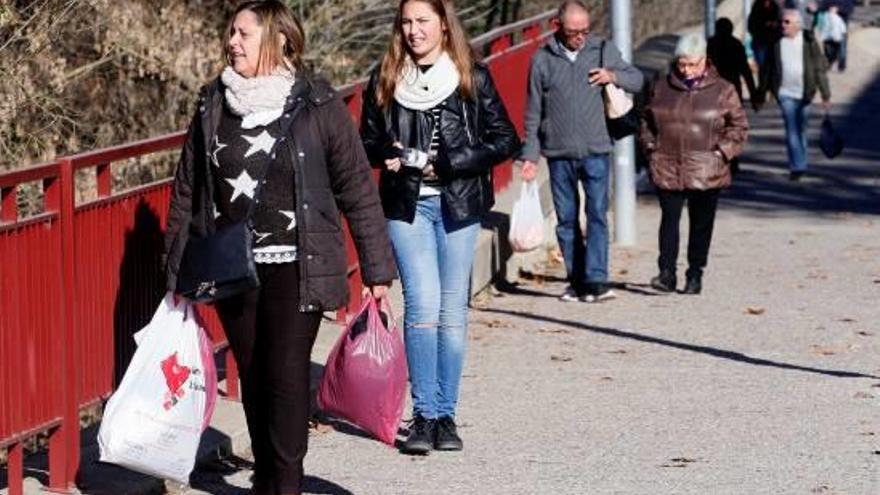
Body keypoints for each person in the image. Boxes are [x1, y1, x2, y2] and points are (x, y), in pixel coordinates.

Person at [163, 2, 397, 493]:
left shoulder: (317, 104)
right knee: (253, 374)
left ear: (280, 41)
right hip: (232, 268)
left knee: (287, 378)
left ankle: (284, 482)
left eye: (244, 34)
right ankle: (268, 475)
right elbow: (188, 190)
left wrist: (377, 270)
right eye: (231, 33)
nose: (232, 42)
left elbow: (356, 185)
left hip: (299, 265)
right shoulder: (212, 104)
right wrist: (176, 273)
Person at [360, 0, 519, 455]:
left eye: (422, 21)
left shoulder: (472, 76)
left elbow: (506, 138)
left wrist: (456, 161)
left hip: (460, 203)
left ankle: (446, 415)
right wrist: (384, 151)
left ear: (443, 26)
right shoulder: (386, 78)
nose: (413, 31)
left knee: (452, 312)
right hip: (406, 206)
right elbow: (364, 140)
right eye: (406, 22)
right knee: (422, 306)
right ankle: (423, 415)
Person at [519, 0, 644, 303]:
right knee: (566, 219)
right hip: (558, 151)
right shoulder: (542, 60)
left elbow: (637, 80)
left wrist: (612, 76)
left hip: (596, 148)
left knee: (597, 215)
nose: (580, 37)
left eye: (585, 31)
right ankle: (576, 281)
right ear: (558, 27)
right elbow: (533, 112)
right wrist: (530, 156)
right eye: (574, 32)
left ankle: (597, 280)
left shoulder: (602, 49)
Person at [640, 34, 749, 294]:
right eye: (681, 64)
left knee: (701, 223)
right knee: (669, 220)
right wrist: (651, 148)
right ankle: (666, 273)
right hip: (667, 164)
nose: (685, 70)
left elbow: (739, 126)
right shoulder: (662, 86)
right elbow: (646, 121)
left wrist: (722, 153)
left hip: (706, 168)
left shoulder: (723, 90)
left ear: (704, 61)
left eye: (691, 64)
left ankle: (695, 272)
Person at [757, 9, 831, 181]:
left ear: (798, 25)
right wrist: (761, 93)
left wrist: (825, 94)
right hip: (785, 94)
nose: (783, 25)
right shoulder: (775, 42)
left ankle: (801, 161)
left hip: (805, 93)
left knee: (801, 130)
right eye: (782, 22)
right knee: (792, 131)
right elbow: (766, 70)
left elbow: (819, 68)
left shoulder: (808, 41)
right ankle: (797, 166)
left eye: (787, 22)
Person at [708, 17, 759, 176]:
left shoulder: (710, 44)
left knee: (715, 129)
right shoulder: (736, 45)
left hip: (712, 92)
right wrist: (754, 95)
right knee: (733, 128)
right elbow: (746, 71)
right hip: (732, 92)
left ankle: (720, 160)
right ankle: (732, 161)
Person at [748, 0, 782, 71]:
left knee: (773, 68)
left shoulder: (775, 7)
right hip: (760, 42)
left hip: (773, 43)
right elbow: (751, 26)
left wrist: (773, 25)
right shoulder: (756, 7)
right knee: (762, 67)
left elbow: (779, 24)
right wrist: (764, 25)